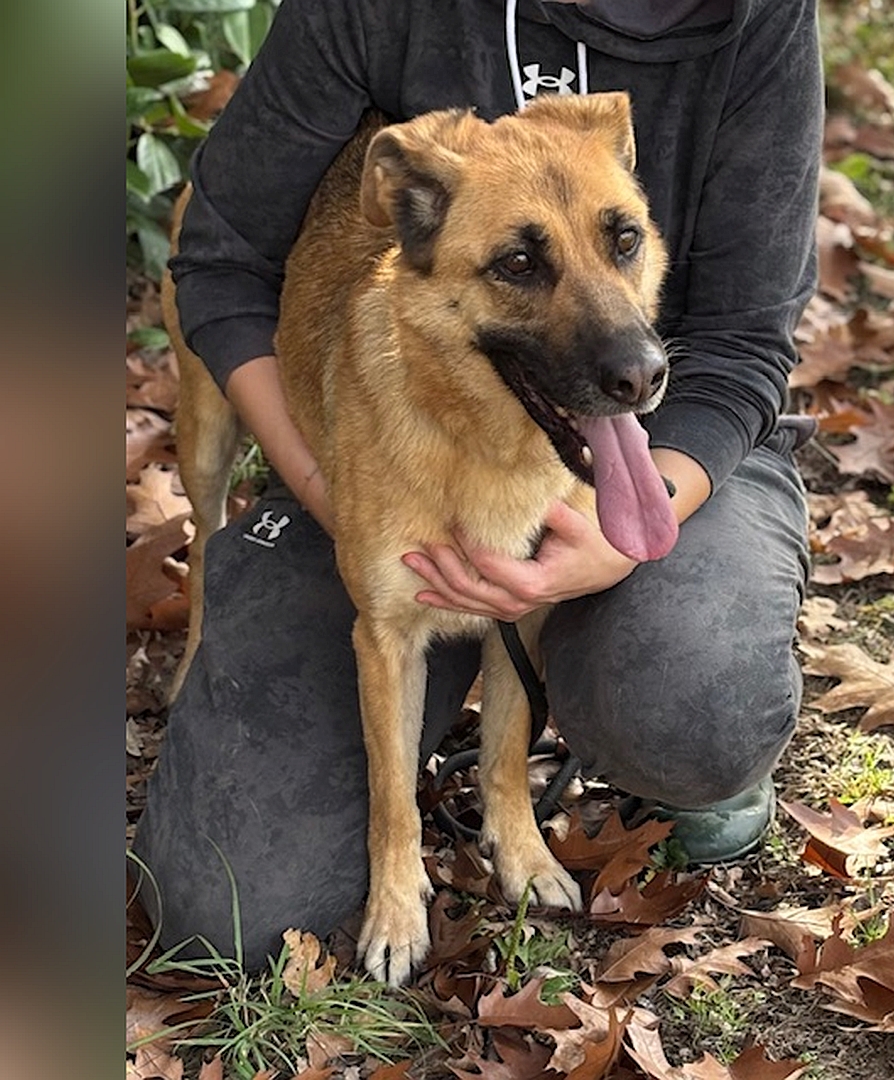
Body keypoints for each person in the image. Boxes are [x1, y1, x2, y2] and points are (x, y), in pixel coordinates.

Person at [132, 0, 823, 972]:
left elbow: (750, 338)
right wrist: (327, 484)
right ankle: (230, 604)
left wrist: (632, 526)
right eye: (524, 265)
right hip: (383, 434)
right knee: (220, 908)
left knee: (692, 696)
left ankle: (587, 767)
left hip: (670, 437)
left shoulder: (754, 21)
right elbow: (218, 249)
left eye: (623, 241)